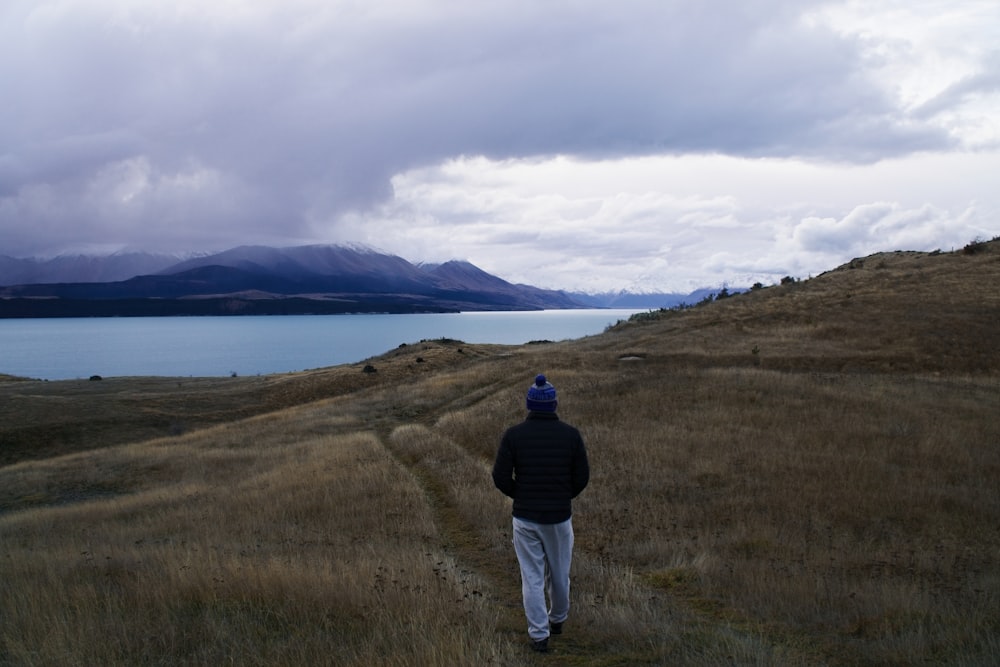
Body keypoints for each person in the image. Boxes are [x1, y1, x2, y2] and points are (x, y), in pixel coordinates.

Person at [492, 374, 590, 653]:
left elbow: (500, 477)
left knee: (531, 577)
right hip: (559, 518)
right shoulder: (571, 435)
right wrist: (562, 496)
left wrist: (520, 495)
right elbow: (582, 476)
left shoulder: (513, 435)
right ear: (554, 404)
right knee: (559, 573)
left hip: (525, 519)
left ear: (529, 405)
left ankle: (539, 636)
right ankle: (557, 620)